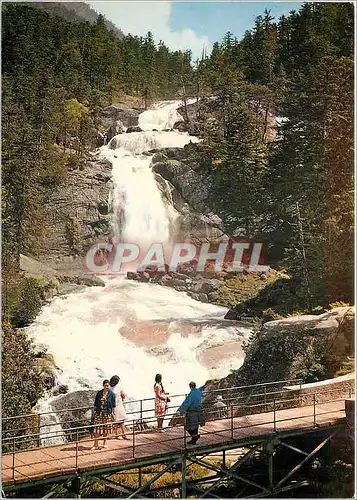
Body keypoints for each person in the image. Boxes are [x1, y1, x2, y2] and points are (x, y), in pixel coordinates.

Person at [92, 379, 116, 450]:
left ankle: (104, 443)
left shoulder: (112, 394)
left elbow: (113, 405)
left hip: (107, 413)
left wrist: (113, 414)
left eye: (108, 386)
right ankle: (95, 444)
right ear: (103, 386)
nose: (107, 387)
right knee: (97, 429)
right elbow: (95, 404)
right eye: (105, 386)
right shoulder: (99, 393)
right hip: (99, 413)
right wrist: (94, 413)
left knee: (106, 429)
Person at [109, 375, 129, 440]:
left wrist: (123, 396)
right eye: (116, 381)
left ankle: (124, 434)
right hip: (113, 406)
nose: (117, 382)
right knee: (116, 420)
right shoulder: (109, 388)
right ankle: (117, 434)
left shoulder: (118, 387)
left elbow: (123, 394)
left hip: (119, 404)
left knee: (122, 420)